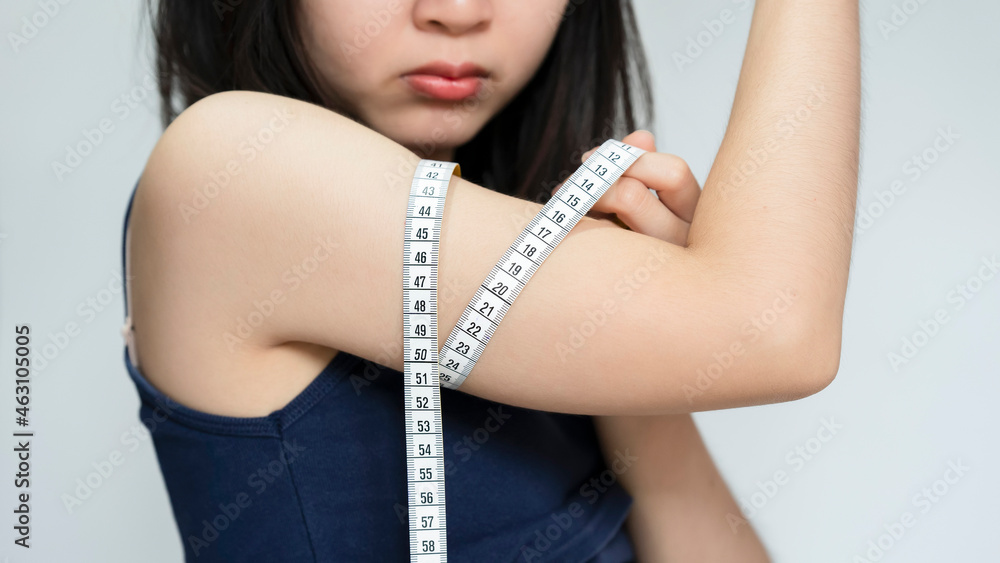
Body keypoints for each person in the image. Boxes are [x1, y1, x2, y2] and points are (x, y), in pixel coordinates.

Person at [120, 0, 859, 560]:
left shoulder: (504, 222)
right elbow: (780, 330)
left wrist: (647, 377)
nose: (460, 11)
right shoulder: (232, 168)